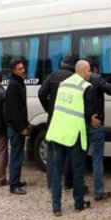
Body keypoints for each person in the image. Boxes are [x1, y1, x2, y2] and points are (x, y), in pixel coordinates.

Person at [45, 60, 94, 216]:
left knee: (57, 171)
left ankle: (56, 207)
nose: (90, 73)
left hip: (57, 132)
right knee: (77, 169)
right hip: (73, 134)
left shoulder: (63, 84)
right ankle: (79, 204)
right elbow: (87, 114)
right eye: (88, 70)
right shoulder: (86, 87)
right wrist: (90, 119)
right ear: (80, 71)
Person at [38, 55, 76, 190]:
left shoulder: (52, 76)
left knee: (52, 152)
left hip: (54, 120)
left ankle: (51, 184)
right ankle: (67, 182)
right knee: (68, 152)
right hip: (69, 121)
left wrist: (49, 109)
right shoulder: (75, 78)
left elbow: (41, 93)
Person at [87, 56, 111, 201]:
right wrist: (102, 79)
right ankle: (98, 192)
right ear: (95, 68)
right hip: (97, 123)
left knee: (79, 158)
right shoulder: (97, 78)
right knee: (97, 159)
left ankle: (79, 188)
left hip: (83, 123)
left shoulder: (79, 79)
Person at [5, 59, 29, 195]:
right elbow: (14, 111)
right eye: (19, 69)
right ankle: (13, 185)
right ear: (14, 71)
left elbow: (21, 108)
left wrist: (25, 124)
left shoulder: (18, 82)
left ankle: (17, 181)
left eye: (23, 68)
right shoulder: (13, 85)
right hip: (15, 128)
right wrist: (21, 128)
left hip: (18, 126)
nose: (23, 70)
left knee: (19, 156)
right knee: (16, 156)